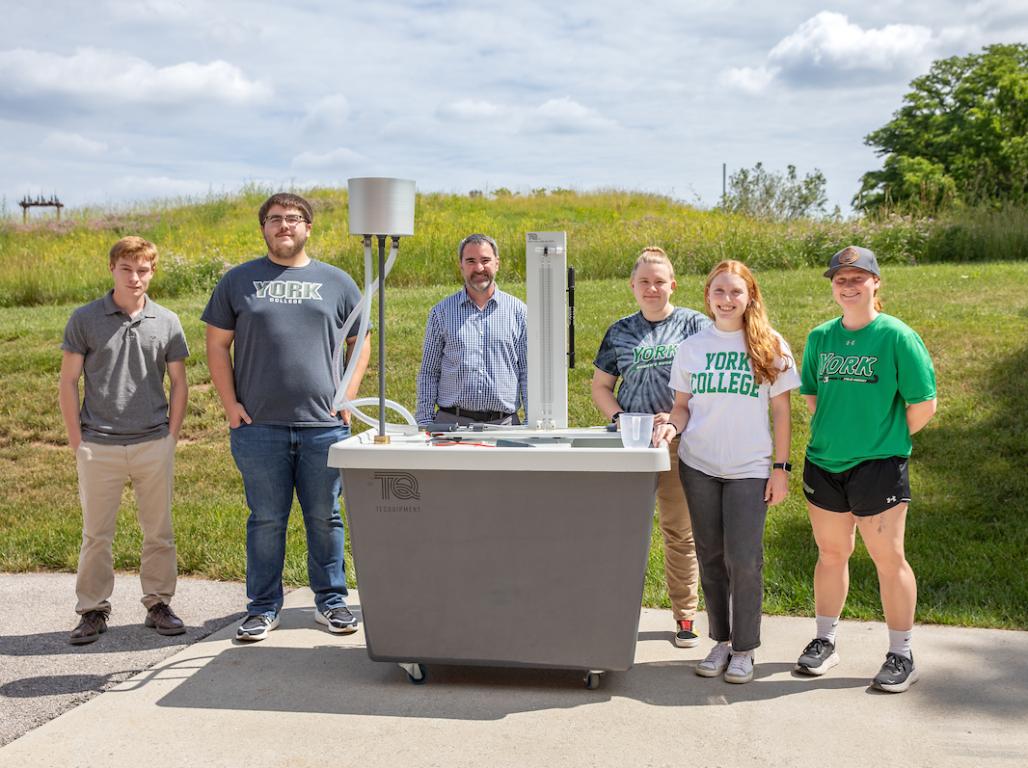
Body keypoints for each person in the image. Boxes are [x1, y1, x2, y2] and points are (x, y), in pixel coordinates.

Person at [203, 192, 370, 642]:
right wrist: (230, 404)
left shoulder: (337, 282)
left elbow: (361, 341)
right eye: (274, 219)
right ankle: (262, 608)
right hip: (259, 427)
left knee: (325, 517)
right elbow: (216, 345)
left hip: (323, 425)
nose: (284, 226)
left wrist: (347, 397)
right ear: (263, 228)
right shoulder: (238, 281)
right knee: (266, 519)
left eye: (293, 219)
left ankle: (331, 603)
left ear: (308, 227)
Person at [794, 246, 936, 693]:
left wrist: (885, 440)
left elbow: (923, 405)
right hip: (824, 462)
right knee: (832, 554)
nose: (849, 285)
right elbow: (814, 397)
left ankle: (902, 653)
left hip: (878, 466)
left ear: (876, 283)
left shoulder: (896, 336)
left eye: (858, 277)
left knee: (889, 559)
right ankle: (825, 641)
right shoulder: (820, 337)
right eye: (841, 278)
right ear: (833, 286)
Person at [654, 259, 800, 684]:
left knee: (744, 559)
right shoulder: (692, 347)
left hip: (749, 469)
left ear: (750, 296)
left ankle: (745, 648)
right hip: (698, 465)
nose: (727, 299)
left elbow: (782, 413)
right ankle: (721, 641)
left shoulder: (770, 345)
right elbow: (682, 407)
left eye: (736, 291)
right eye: (719, 291)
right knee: (711, 556)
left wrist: (781, 469)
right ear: (707, 296)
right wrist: (669, 426)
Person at [59, 236, 189, 645]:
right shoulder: (85, 319)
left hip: (153, 442)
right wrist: (76, 438)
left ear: (153, 272)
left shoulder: (167, 321)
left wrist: (171, 435)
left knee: (159, 531)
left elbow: (179, 382)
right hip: (99, 444)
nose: (135, 278)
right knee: (96, 534)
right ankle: (92, 610)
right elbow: (68, 381)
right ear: (112, 269)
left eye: (144, 270)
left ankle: (158, 604)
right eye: (127, 269)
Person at [592, 246, 710, 648]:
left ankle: (685, 616)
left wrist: (677, 420)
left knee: (679, 531)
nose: (652, 288)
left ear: (672, 285)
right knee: (622, 532)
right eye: (644, 281)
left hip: (678, 443)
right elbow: (601, 386)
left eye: (659, 281)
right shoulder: (620, 331)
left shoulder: (695, 325)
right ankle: (612, 611)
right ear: (632, 286)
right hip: (631, 446)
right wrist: (619, 419)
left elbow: (708, 382)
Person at [415, 233, 527, 427]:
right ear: (461, 265)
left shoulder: (519, 312)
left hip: (505, 426)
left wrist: (531, 421)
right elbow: (429, 372)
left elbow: (527, 371)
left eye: (485, 260)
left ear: (497, 263)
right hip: (451, 425)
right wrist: (424, 421)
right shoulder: (441, 313)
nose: (479, 268)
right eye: (471, 261)